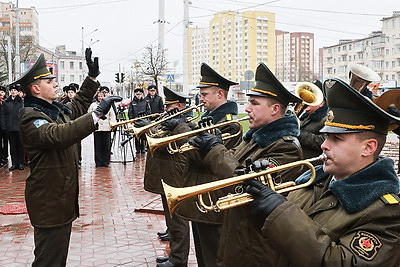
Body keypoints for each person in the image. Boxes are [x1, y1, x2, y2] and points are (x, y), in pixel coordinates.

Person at [242, 77, 400, 266]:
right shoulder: (312, 179)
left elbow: (340, 262)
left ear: (368, 148)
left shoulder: (386, 212)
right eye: (326, 137)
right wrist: (260, 199)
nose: (324, 145)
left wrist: (280, 213)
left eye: (336, 139)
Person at [186, 62, 304, 266]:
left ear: (275, 109)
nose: (247, 109)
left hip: (256, 244)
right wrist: (207, 145)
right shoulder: (255, 138)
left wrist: (214, 149)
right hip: (238, 231)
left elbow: (246, 184)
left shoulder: (286, 147)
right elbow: (231, 161)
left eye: (255, 103)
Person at [17, 50, 121, 266]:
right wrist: (96, 115)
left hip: (60, 199)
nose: (56, 84)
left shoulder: (53, 111)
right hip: (49, 201)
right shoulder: (31, 116)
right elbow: (58, 135)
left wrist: (91, 79)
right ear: (36, 89)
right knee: (48, 260)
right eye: (49, 81)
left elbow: (77, 106)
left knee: (57, 258)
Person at [174, 63, 242, 267]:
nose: (200, 98)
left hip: (214, 200)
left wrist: (185, 131)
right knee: (204, 254)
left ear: (220, 93)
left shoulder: (229, 122)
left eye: (204, 94)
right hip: (202, 197)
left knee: (213, 256)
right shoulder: (210, 118)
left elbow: (211, 160)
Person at [144, 86, 194, 267]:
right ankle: (174, 253)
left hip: (176, 175)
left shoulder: (186, 122)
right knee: (171, 220)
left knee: (178, 220)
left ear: (179, 106)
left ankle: (179, 260)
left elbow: (177, 145)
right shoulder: (170, 119)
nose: (166, 109)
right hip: (166, 174)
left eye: (169, 106)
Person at [298, 79, 328, 163]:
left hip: (313, 164)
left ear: (321, 102)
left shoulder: (326, 118)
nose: (306, 107)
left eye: (310, 102)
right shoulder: (307, 115)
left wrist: (299, 134)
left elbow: (323, 141)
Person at [88, 89, 116, 167]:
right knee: (98, 145)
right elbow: (89, 114)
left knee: (106, 145)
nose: (100, 98)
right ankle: (98, 161)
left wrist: (112, 124)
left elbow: (112, 115)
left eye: (102, 96)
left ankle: (105, 161)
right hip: (97, 128)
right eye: (99, 96)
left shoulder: (108, 104)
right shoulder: (93, 105)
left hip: (106, 127)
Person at [1, 83, 24, 171]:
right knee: (12, 146)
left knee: (20, 146)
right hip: (9, 128)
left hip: (19, 128)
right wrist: (4, 126)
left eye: (15, 90)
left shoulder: (21, 102)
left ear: (18, 92)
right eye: (12, 90)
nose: (13, 92)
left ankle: (21, 163)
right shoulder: (6, 102)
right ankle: (14, 163)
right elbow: (3, 115)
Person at [128, 88, 151, 154]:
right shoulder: (132, 103)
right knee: (137, 136)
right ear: (135, 94)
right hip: (136, 121)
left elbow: (148, 111)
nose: (138, 96)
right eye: (137, 94)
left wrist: (147, 118)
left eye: (140, 94)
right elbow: (130, 112)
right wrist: (132, 121)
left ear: (142, 94)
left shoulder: (145, 102)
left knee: (143, 135)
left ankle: (143, 148)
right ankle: (137, 149)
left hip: (144, 121)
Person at [0, 85, 8, 167]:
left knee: (5, 141)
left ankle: (5, 156)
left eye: (2, 92)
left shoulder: (6, 102)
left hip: (6, 125)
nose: (1, 94)